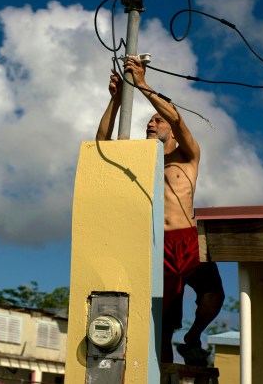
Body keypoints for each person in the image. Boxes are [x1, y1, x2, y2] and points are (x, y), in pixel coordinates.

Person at [96, 56, 225, 366]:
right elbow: (102, 143)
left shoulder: (187, 156)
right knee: (163, 322)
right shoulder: (140, 163)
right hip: (158, 245)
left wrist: (141, 85)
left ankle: (193, 337)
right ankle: (163, 370)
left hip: (190, 239)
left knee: (213, 298)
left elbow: (179, 120)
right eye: (149, 121)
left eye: (157, 120)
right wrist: (115, 101)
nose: (151, 123)